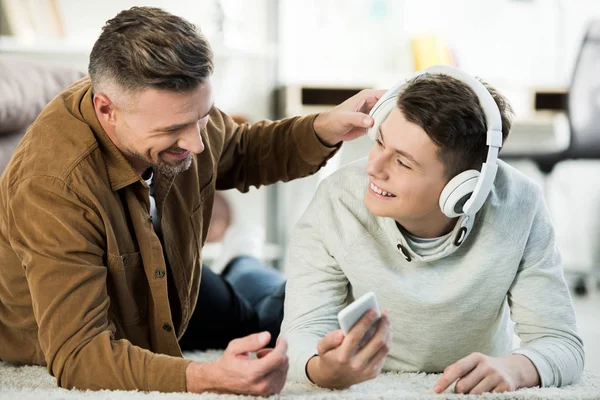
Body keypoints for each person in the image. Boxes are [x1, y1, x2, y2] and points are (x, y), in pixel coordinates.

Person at [0, 6, 384, 396]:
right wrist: (208, 378)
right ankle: (244, 261)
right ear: (106, 110)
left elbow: (241, 149)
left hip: (168, 280)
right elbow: (81, 355)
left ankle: (243, 261)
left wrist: (325, 126)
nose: (197, 144)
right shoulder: (52, 186)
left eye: (201, 118)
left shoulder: (177, 109)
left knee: (279, 318)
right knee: (264, 324)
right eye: (172, 131)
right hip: (107, 314)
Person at [281, 66, 585, 394]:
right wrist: (322, 369)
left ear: (463, 189)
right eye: (379, 142)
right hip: (303, 292)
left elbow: (561, 343)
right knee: (253, 300)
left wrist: (516, 368)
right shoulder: (338, 199)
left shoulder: (520, 205)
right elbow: (301, 334)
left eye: (403, 162)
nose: (373, 167)